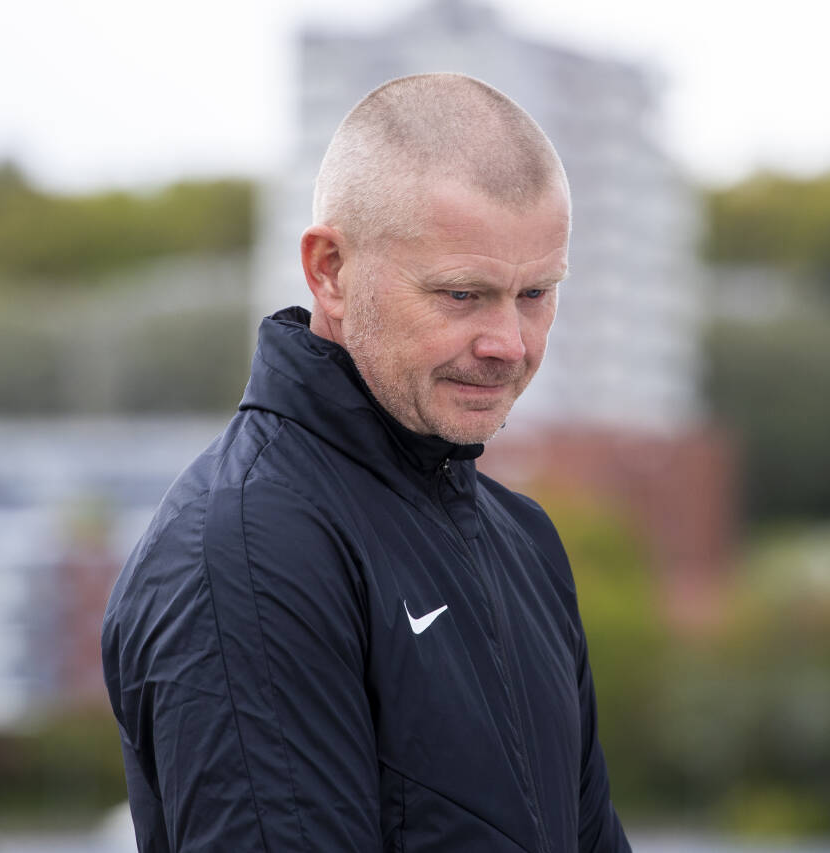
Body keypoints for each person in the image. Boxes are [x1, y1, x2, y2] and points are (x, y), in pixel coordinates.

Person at [101, 72, 632, 852]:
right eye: (461, 294)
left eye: (535, 294)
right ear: (330, 271)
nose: (508, 345)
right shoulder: (249, 555)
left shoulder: (525, 543)